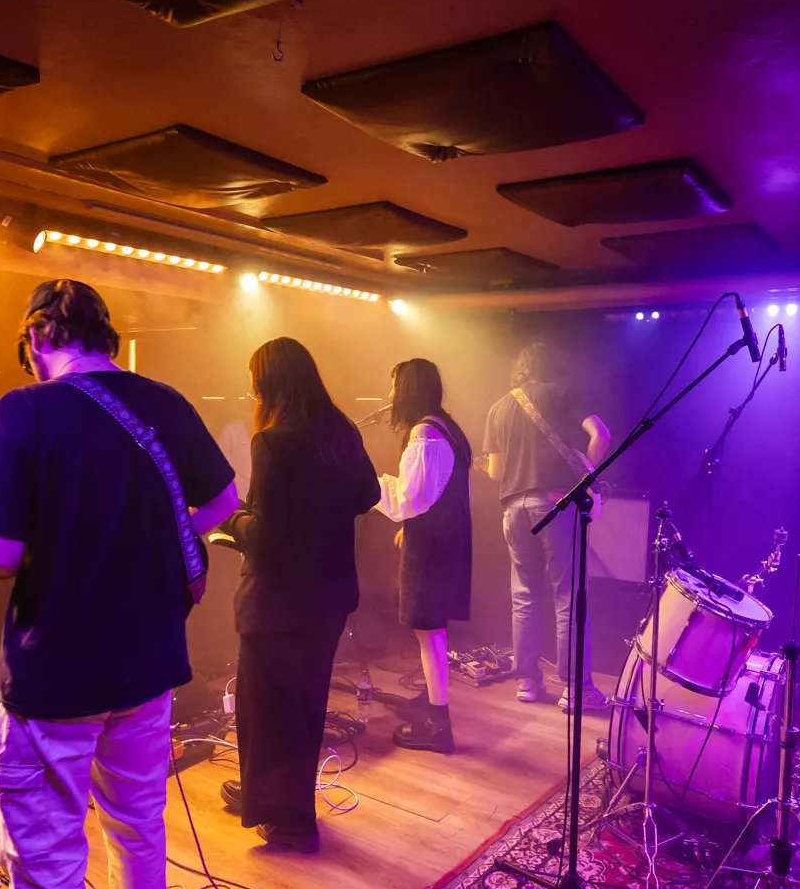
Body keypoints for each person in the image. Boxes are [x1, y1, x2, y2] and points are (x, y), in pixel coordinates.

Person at [0, 279, 238, 889]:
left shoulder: (24, 411)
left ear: (39, 337)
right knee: (138, 818)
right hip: (146, 661)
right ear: (106, 337)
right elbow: (222, 502)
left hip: (58, 673)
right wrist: (148, 543)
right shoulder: (164, 401)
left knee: (46, 852)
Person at [220, 338, 380, 850]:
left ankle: (286, 820)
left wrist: (229, 519)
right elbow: (370, 493)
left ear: (269, 383)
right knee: (305, 705)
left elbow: (264, 533)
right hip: (329, 595)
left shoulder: (272, 441)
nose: (252, 391)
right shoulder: (340, 431)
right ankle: (273, 802)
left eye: (254, 382)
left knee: (267, 710)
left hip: (277, 601)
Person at [480, 342, 612, 709]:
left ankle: (527, 682)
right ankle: (576, 689)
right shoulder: (562, 395)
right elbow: (601, 435)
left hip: (514, 510)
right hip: (555, 505)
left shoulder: (498, 408)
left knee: (523, 596)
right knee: (568, 596)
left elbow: (496, 472)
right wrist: (587, 473)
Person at [375, 359, 471, 754]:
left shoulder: (424, 433)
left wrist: (369, 484)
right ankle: (432, 700)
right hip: (445, 539)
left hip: (432, 547)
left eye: (394, 386)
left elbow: (408, 500)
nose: (390, 395)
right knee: (429, 631)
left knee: (428, 631)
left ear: (409, 389)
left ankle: (438, 725)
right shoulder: (446, 426)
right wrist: (410, 523)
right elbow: (436, 492)